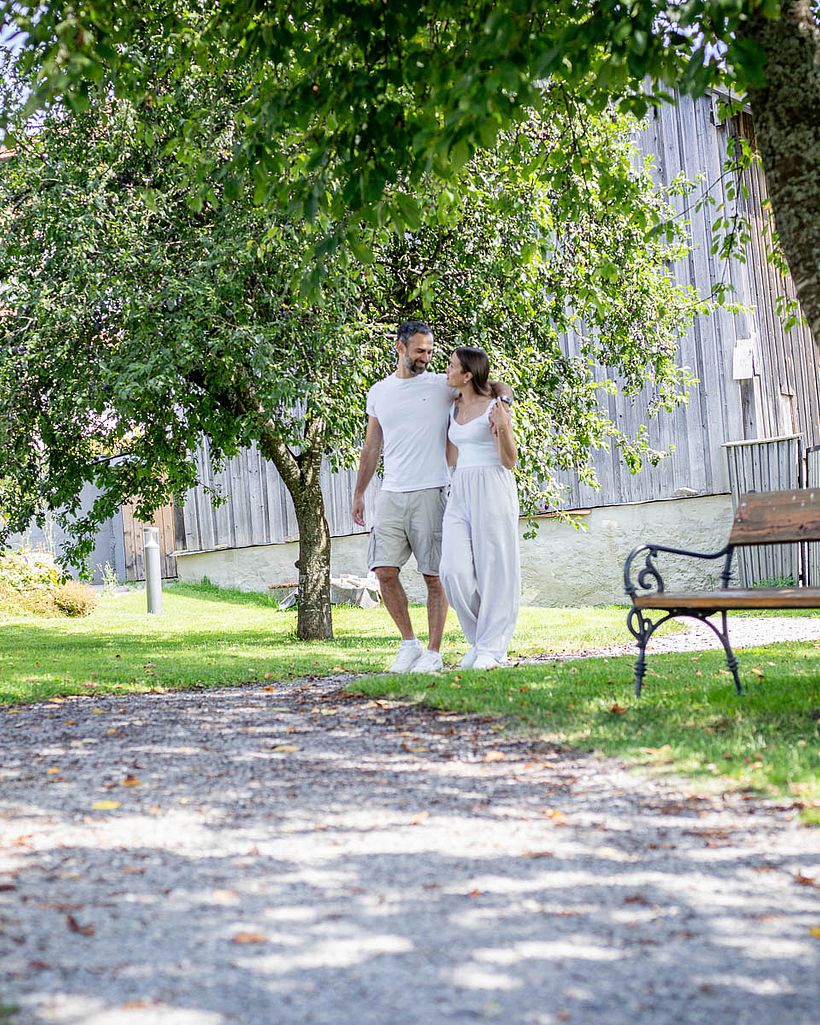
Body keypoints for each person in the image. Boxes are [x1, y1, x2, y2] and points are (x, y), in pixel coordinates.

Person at [352, 322, 511, 673]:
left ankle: (435, 652)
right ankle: (410, 644)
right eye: (420, 351)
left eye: (430, 351)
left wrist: (505, 401)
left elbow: (494, 384)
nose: (426, 358)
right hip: (391, 491)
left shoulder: (444, 385)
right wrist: (360, 492)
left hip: (433, 489)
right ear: (400, 347)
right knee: (383, 571)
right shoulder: (380, 392)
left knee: (434, 576)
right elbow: (372, 445)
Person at [439, 346, 520, 670]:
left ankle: (491, 647)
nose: (446, 370)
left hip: (493, 486)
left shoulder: (495, 407)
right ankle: (480, 641)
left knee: (495, 571)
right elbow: (451, 454)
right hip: (461, 489)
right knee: (452, 571)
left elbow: (510, 461)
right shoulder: (453, 405)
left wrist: (503, 424)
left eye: (451, 365)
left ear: (467, 374)